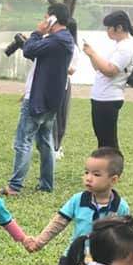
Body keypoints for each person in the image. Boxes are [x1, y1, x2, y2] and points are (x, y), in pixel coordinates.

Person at [25, 147, 131, 265]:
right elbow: (59, 222)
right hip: (73, 257)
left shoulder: (120, 207)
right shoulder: (78, 200)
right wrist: (39, 242)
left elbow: (125, 237)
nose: (88, 178)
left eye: (96, 174)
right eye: (86, 172)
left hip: (101, 264)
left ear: (113, 179)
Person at [1, 3, 74, 196]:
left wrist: (37, 33)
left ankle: (15, 186)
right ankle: (46, 184)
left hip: (38, 99)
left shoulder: (57, 40)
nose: (43, 21)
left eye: (46, 17)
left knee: (23, 141)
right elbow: (37, 54)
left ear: (53, 18)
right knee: (45, 142)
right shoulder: (65, 39)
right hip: (50, 100)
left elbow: (29, 50)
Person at [83, 10, 133, 151]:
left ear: (119, 27)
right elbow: (99, 67)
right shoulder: (118, 46)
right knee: (102, 140)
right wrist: (91, 55)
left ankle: (114, 164)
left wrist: (93, 53)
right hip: (101, 97)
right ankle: (106, 164)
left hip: (109, 98)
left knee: (108, 142)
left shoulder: (126, 48)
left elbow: (110, 71)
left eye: (108, 27)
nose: (107, 31)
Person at [53, 18, 80, 159]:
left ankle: (56, 147)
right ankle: (52, 146)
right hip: (51, 84)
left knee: (60, 118)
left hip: (62, 85)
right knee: (51, 118)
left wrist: (57, 64)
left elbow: (71, 70)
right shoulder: (54, 43)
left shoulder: (73, 48)